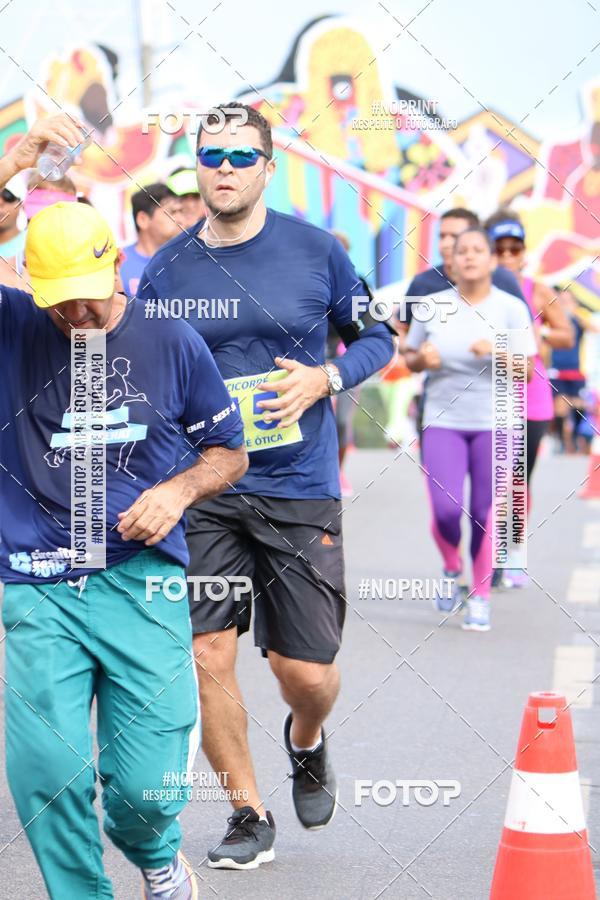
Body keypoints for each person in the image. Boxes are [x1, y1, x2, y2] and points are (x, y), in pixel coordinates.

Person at [138, 103, 394, 868]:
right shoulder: (168, 269)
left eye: (241, 156)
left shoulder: (317, 252)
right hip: (208, 485)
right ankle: (247, 813)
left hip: (297, 484)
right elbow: (143, 371)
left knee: (304, 672)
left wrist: (328, 376)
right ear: (198, 166)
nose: (224, 167)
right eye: (211, 154)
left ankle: (306, 741)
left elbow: (377, 335)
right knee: (207, 650)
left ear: (267, 167)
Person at [0, 114, 248, 899]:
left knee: (145, 790)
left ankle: (156, 856)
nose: (73, 315)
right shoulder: (13, 327)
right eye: (56, 300)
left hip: (144, 582)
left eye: (85, 297)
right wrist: (11, 173)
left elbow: (229, 452)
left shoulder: (172, 341)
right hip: (37, 581)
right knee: (49, 778)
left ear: (114, 268)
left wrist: (175, 492)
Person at [405, 227, 537, 631]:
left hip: (496, 423)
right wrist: (420, 361)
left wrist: (496, 351)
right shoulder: (431, 306)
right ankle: (451, 568)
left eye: (478, 250)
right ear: (451, 261)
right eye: (462, 251)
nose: (469, 257)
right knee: (446, 510)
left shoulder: (511, 307)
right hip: (443, 420)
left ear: (492, 260)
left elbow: (528, 371)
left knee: (484, 512)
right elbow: (409, 356)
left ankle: (479, 595)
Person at [485, 211, 573, 587]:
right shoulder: (474, 290)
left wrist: (540, 338)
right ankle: (485, 555)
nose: (506, 256)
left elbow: (567, 334)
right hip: (486, 396)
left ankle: (511, 551)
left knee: (518, 480)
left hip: (530, 396)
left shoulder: (536, 289)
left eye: (513, 249)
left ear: (523, 253)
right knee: (490, 480)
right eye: (498, 249)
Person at [549, 287, 600, 453]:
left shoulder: (580, 316)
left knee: (579, 405)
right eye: (561, 300)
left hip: (578, 370)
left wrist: (574, 312)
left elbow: (594, 328)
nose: (563, 303)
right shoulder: (552, 317)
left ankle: (578, 434)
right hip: (556, 369)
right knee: (560, 405)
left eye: (567, 300)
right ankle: (563, 439)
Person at [120, 182, 184, 298]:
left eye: (181, 211)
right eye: (172, 212)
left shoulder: (189, 261)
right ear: (143, 219)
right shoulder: (118, 264)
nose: (180, 219)